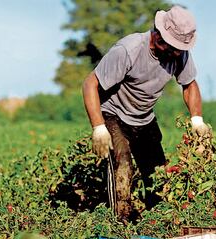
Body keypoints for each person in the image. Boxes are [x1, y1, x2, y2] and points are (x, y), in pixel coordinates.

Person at [82, 5, 209, 222]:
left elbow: (189, 84)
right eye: (174, 47)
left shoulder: (180, 54)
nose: (178, 53)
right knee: (122, 164)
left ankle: (156, 220)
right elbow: (89, 84)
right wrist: (98, 127)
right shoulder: (128, 50)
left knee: (158, 173)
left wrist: (197, 119)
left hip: (143, 118)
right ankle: (120, 221)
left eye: (180, 48)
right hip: (114, 115)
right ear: (159, 36)